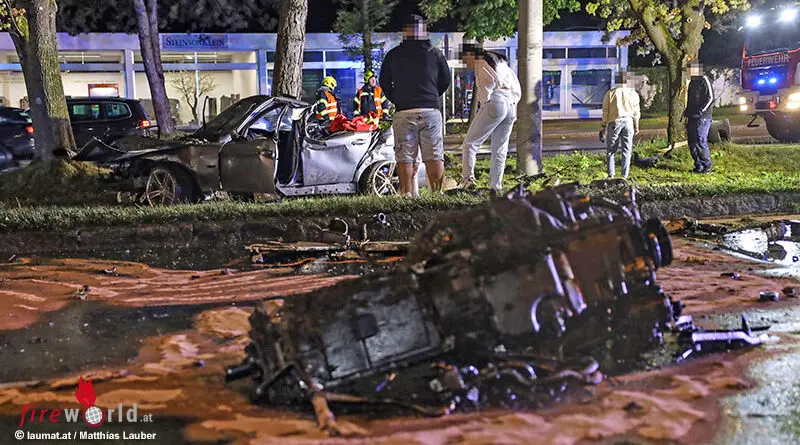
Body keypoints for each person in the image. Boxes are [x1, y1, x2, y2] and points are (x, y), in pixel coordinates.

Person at [380, 14, 451, 196]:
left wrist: (398, 99)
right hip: (430, 112)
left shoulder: (393, 55)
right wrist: (431, 97)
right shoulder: (435, 53)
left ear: (404, 31)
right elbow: (445, 80)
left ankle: (406, 195)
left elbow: (384, 82)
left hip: (404, 112)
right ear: (424, 31)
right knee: (434, 155)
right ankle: (436, 195)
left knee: (405, 157)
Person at [456, 42, 521, 193]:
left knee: (470, 144)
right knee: (500, 149)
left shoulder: (481, 63)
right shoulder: (498, 60)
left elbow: (485, 93)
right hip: (511, 105)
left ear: (470, 54)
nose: (466, 65)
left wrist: (485, 104)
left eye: (465, 60)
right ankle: (495, 186)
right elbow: (516, 87)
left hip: (496, 102)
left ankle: (467, 180)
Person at [601, 72, 641, 179]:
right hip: (628, 122)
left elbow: (605, 111)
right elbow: (636, 112)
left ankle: (611, 174)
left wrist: (603, 125)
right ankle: (624, 175)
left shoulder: (610, 93)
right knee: (627, 150)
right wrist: (636, 126)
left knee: (611, 150)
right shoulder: (633, 94)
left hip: (615, 122)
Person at [684, 63, 715, 174]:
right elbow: (690, 99)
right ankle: (699, 166)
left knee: (700, 140)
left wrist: (701, 111)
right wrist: (687, 111)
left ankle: (707, 167)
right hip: (692, 116)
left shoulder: (704, 80)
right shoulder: (692, 82)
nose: (688, 72)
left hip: (703, 117)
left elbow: (710, 98)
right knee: (692, 141)